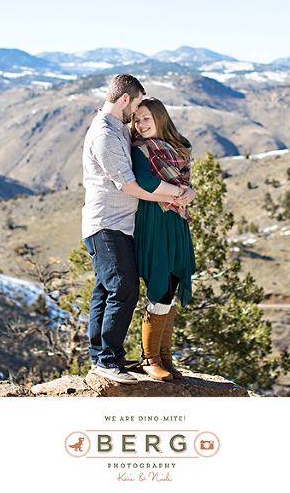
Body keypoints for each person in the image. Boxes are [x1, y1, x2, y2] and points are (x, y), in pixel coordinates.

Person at [81, 75, 195, 384]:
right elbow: (130, 185)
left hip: (120, 224)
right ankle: (107, 361)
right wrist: (177, 195)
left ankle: (104, 357)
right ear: (125, 99)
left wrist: (183, 193)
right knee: (123, 287)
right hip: (106, 224)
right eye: (137, 104)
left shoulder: (117, 129)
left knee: (106, 290)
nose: (137, 115)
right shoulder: (104, 134)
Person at [130, 98, 197, 381]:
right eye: (137, 120)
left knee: (172, 285)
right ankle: (150, 358)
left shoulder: (176, 149)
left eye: (146, 118)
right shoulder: (140, 149)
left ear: (160, 118)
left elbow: (186, 184)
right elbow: (146, 182)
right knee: (160, 287)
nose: (141, 124)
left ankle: (165, 357)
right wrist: (180, 192)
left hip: (175, 220)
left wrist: (190, 192)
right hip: (155, 222)